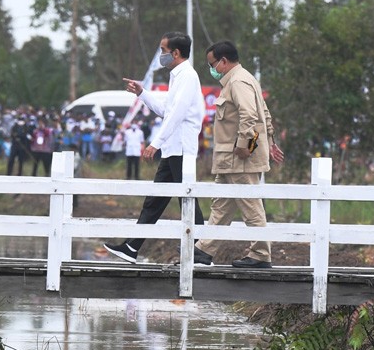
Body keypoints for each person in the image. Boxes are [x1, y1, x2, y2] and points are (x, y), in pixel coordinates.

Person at [104, 31, 206, 263]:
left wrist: (154, 144)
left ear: (176, 53)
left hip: (180, 148)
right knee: (155, 200)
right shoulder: (177, 76)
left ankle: (202, 250)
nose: (161, 55)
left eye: (163, 50)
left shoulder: (188, 76)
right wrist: (142, 93)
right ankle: (131, 247)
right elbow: (166, 110)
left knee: (187, 202)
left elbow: (177, 114)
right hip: (172, 149)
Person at [193, 40, 284, 268]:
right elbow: (265, 113)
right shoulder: (243, 79)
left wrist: (245, 146)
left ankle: (261, 255)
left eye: (212, 64)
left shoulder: (238, 81)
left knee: (250, 205)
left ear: (223, 61)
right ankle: (203, 250)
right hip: (230, 158)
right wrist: (270, 141)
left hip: (239, 158)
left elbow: (251, 116)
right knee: (221, 205)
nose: (212, 69)